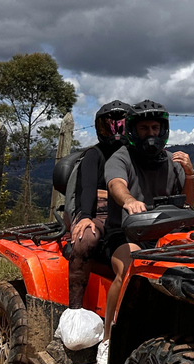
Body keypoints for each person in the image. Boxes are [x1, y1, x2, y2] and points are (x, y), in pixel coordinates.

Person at [97, 100, 194, 364]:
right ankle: (108, 339)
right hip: (124, 232)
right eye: (144, 128)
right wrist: (128, 200)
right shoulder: (121, 157)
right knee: (129, 268)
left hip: (165, 235)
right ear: (132, 131)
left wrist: (189, 174)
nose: (150, 133)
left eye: (155, 127)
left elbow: (188, 205)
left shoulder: (172, 162)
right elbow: (116, 184)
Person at [65, 100, 130, 310]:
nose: (115, 132)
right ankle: (74, 309)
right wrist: (84, 216)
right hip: (97, 211)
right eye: (109, 126)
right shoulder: (94, 154)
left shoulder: (133, 155)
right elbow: (88, 188)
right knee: (86, 240)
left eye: (121, 126)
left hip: (128, 211)